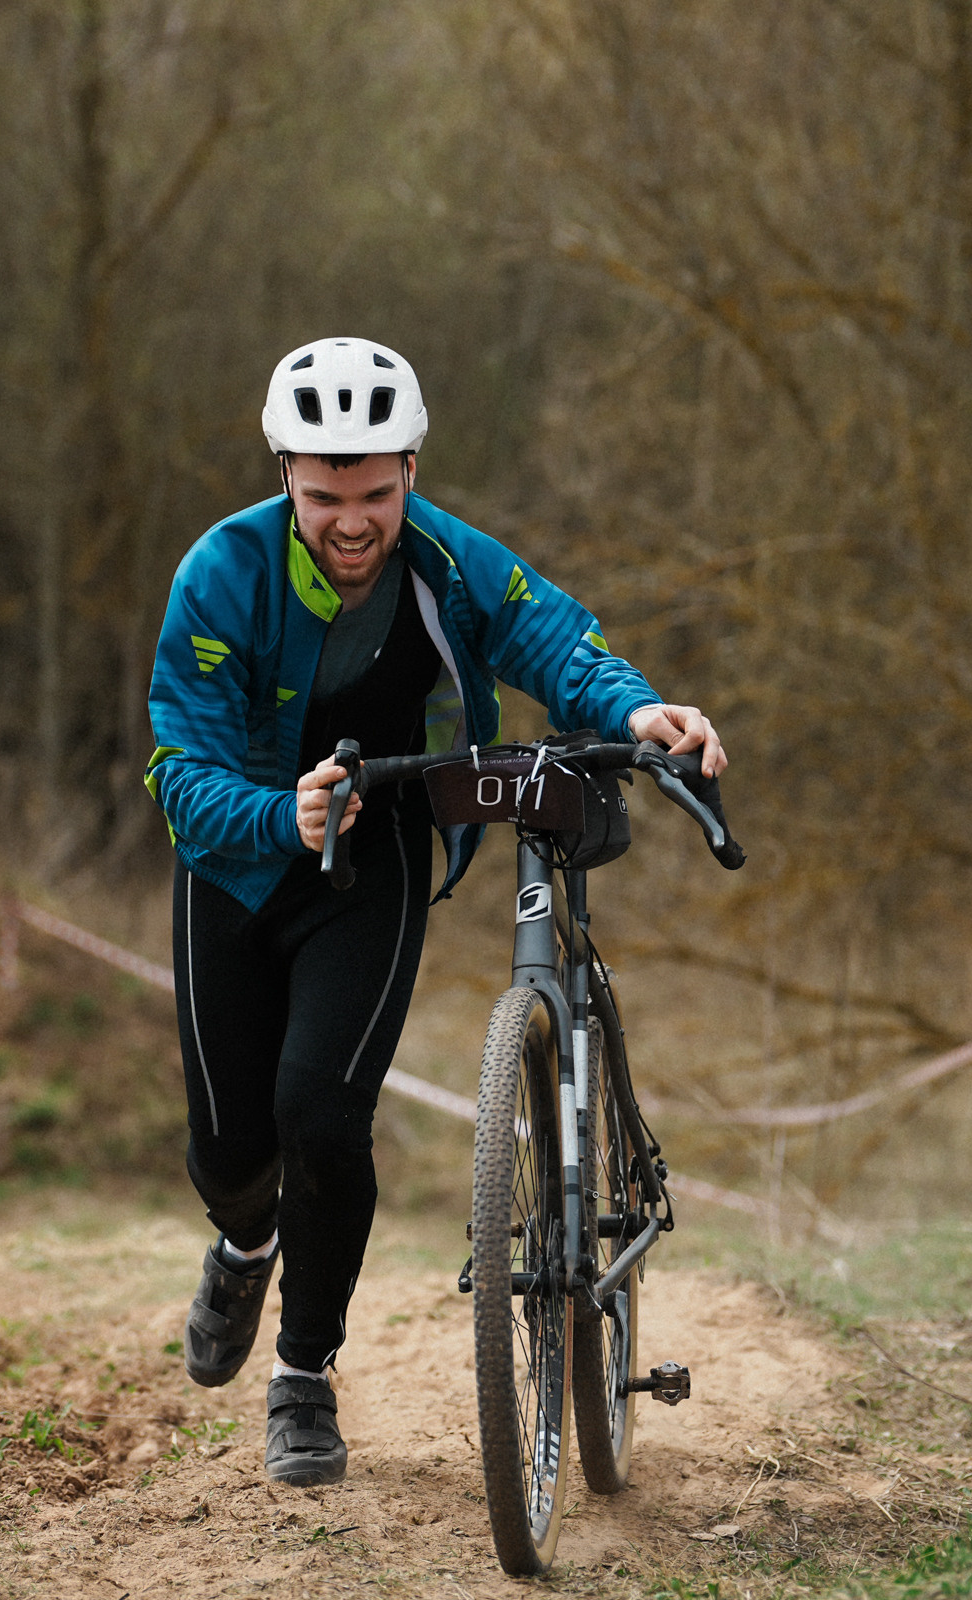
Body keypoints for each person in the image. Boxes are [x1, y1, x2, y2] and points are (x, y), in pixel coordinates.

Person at [142, 336, 725, 1487]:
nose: (351, 522)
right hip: (234, 867)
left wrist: (642, 707)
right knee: (230, 1150)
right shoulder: (221, 573)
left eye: (374, 493)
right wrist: (281, 815)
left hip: (384, 849)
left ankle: (303, 1377)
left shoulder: (450, 563)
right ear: (283, 477)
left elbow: (553, 638)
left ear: (410, 467)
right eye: (323, 497)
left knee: (319, 1111)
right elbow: (175, 770)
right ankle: (244, 1240)